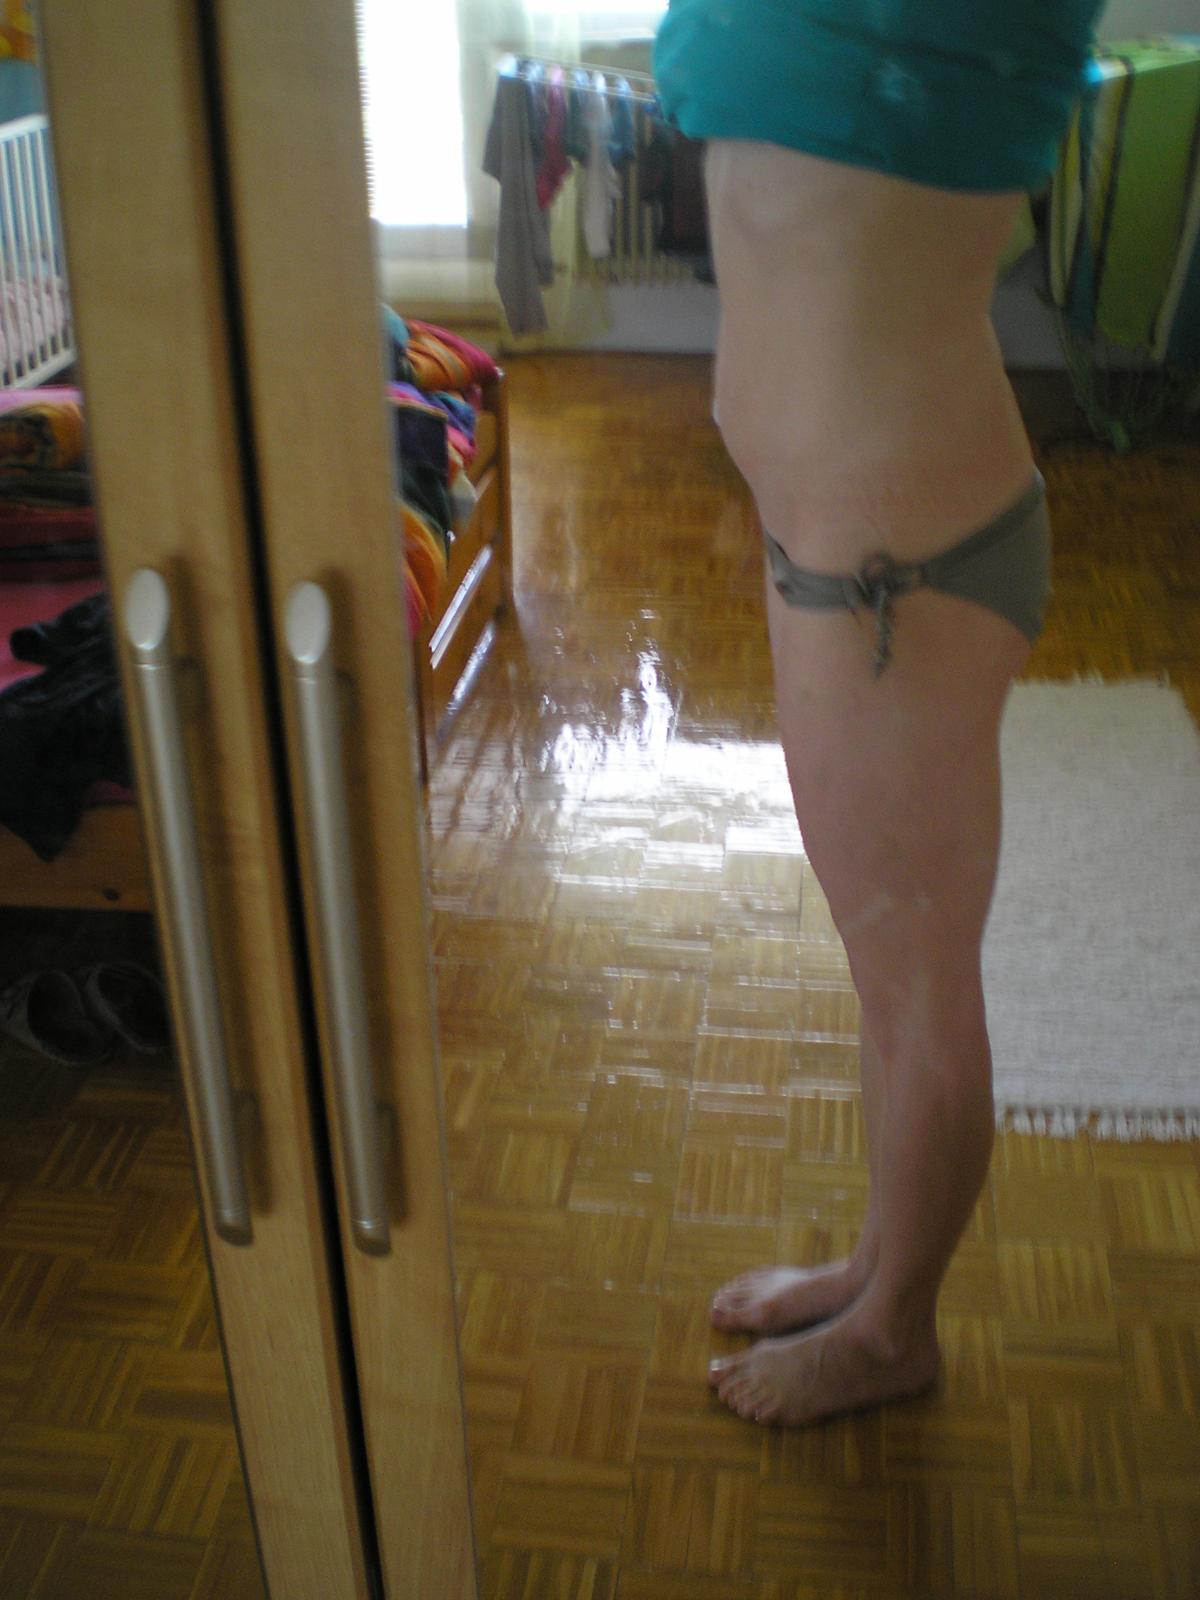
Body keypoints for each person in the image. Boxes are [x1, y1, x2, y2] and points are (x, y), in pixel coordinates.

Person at [652, 0, 1104, 1428]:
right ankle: (874, 1265)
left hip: (900, 571)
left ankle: (895, 1331)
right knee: (888, 964)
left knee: (917, 983)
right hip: (843, 549)